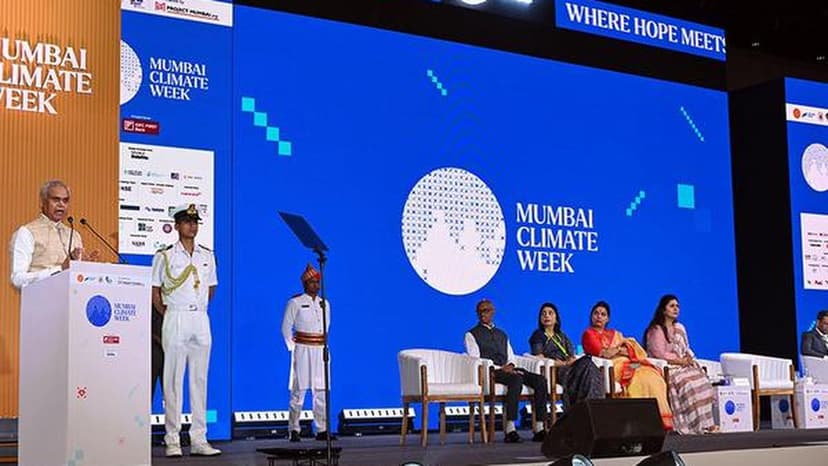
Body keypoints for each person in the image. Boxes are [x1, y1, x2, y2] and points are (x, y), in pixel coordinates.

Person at [151, 204, 221, 457]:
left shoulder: (207, 255)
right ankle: (172, 440)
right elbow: (155, 291)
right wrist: (171, 313)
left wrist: (196, 309)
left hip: (200, 317)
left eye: (195, 222)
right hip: (176, 316)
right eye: (187, 222)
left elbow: (210, 288)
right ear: (177, 226)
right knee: (173, 381)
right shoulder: (165, 256)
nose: (192, 226)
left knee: (199, 380)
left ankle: (199, 439)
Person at [465, 299, 548, 443]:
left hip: (509, 369)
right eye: (480, 311)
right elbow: (476, 359)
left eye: (486, 310)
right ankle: (510, 429)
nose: (482, 314)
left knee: (540, 380)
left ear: (493, 312)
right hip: (491, 371)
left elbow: (511, 356)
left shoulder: (502, 334)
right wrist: (501, 368)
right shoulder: (471, 334)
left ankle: (540, 428)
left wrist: (510, 366)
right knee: (516, 379)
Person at [581, 301, 673, 430]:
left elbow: (629, 350)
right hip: (613, 366)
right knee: (637, 380)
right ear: (591, 316)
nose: (599, 316)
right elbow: (604, 354)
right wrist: (620, 349)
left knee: (652, 376)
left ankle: (657, 422)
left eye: (603, 314)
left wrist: (618, 350)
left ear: (608, 319)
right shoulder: (589, 334)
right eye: (596, 313)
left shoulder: (615, 333)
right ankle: (638, 423)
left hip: (630, 363)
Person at [644, 295, 717, 435]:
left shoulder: (680, 328)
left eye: (677, 306)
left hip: (682, 366)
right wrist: (679, 361)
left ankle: (707, 424)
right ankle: (694, 425)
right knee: (689, 385)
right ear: (663, 310)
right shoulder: (656, 330)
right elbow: (659, 353)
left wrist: (689, 358)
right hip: (667, 368)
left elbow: (686, 348)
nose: (676, 309)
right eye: (672, 306)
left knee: (703, 382)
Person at [281, 264, 336, 442]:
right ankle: (294, 429)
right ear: (305, 284)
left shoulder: (324, 304)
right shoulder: (295, 302)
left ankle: (322, 429)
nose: (315, 285)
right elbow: (285, 328)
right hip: (303, 349)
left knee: (321, 391)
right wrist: (294, 348)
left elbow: (326, 327)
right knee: (298, 391)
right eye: (311, 282)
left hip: (320, 350)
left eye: (317, 282)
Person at [10, 180, 89, 288]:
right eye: (56, 200)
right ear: (42, 202)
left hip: (72, 297)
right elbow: (17, 279)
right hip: (39, 297)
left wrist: (87, 267)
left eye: (65, 201)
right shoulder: (27, 232)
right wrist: (60, 269)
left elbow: (78, 277)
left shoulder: (74, 235)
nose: (61, 204)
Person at [529, 303, 604, 410]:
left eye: (550, 313)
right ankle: (588, 408)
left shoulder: (562, 336)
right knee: (587, 365)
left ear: (556, 319)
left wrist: (570, 361)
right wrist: (563, 363)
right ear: (540, 318)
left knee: (590, 367)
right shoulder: (537, 335)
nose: (546, 316)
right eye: (543, 314)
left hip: (571, 367)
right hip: (556, 370)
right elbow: (539, 357)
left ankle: (592, 407)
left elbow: (571, 355)